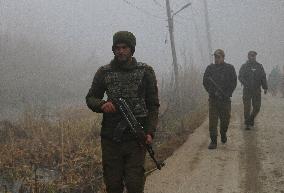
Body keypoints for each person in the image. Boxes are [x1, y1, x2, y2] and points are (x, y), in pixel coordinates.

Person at [86, 31, 160, 193]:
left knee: (135, 185)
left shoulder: (145, 71)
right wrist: (102, 105)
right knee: (113, 185)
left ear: (131, 49)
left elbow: (153, 105)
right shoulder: (104, 72)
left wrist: (149, 132)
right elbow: (91, 97)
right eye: (117, 48)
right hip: (111, 139)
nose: (120, 51)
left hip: (136, 138)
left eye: (124, 47)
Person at [203, 49, 237, 149]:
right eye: (215, 57)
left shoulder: (230, 68)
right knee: (213, 121)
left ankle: (223, 133)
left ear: (223, 57)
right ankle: (213, 141)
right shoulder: (210, 68)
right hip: (213, 99)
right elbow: (205, 81)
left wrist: (227, 93)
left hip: (225, 99)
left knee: (225, 120)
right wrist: (212, 92)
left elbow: (233, 82)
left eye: (218, 57)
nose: (216, 59)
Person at [238, 51, 268, 130]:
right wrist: (245, 83)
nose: (253, 57)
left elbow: (263, 77)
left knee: (257, 107)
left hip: (256, 90)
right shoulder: (244, 66)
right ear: (248, 56)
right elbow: (240, 76)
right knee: (247, 107)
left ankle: (251, 119)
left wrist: (265, 87)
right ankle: (247, 124)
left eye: (254, 56)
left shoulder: (259, 66)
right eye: (251, 55)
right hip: (247, 90)